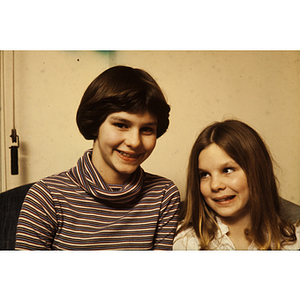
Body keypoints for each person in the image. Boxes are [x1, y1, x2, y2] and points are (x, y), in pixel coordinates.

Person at [15, 65, 180, 250]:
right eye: (121, 125)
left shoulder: (164, 195)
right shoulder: (47, 196)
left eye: (147, 129)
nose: (135, 142)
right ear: (95, 125)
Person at [173, 119, 300, 250]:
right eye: (204, 174)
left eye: (227, 170)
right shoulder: (185, 243)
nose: (215, 185)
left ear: (257, 172)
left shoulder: (292, 241)